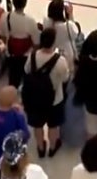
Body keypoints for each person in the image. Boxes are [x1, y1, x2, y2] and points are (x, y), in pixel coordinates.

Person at [22, 27, 69, 157]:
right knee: (53, 126)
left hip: (34, 99)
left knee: (37, 125)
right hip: (54, 100)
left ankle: (40, 148)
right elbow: (65, 78)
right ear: (54, 42)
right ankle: (52, 147)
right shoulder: (60, 60)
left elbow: (26, 71)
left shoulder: (32, 56)